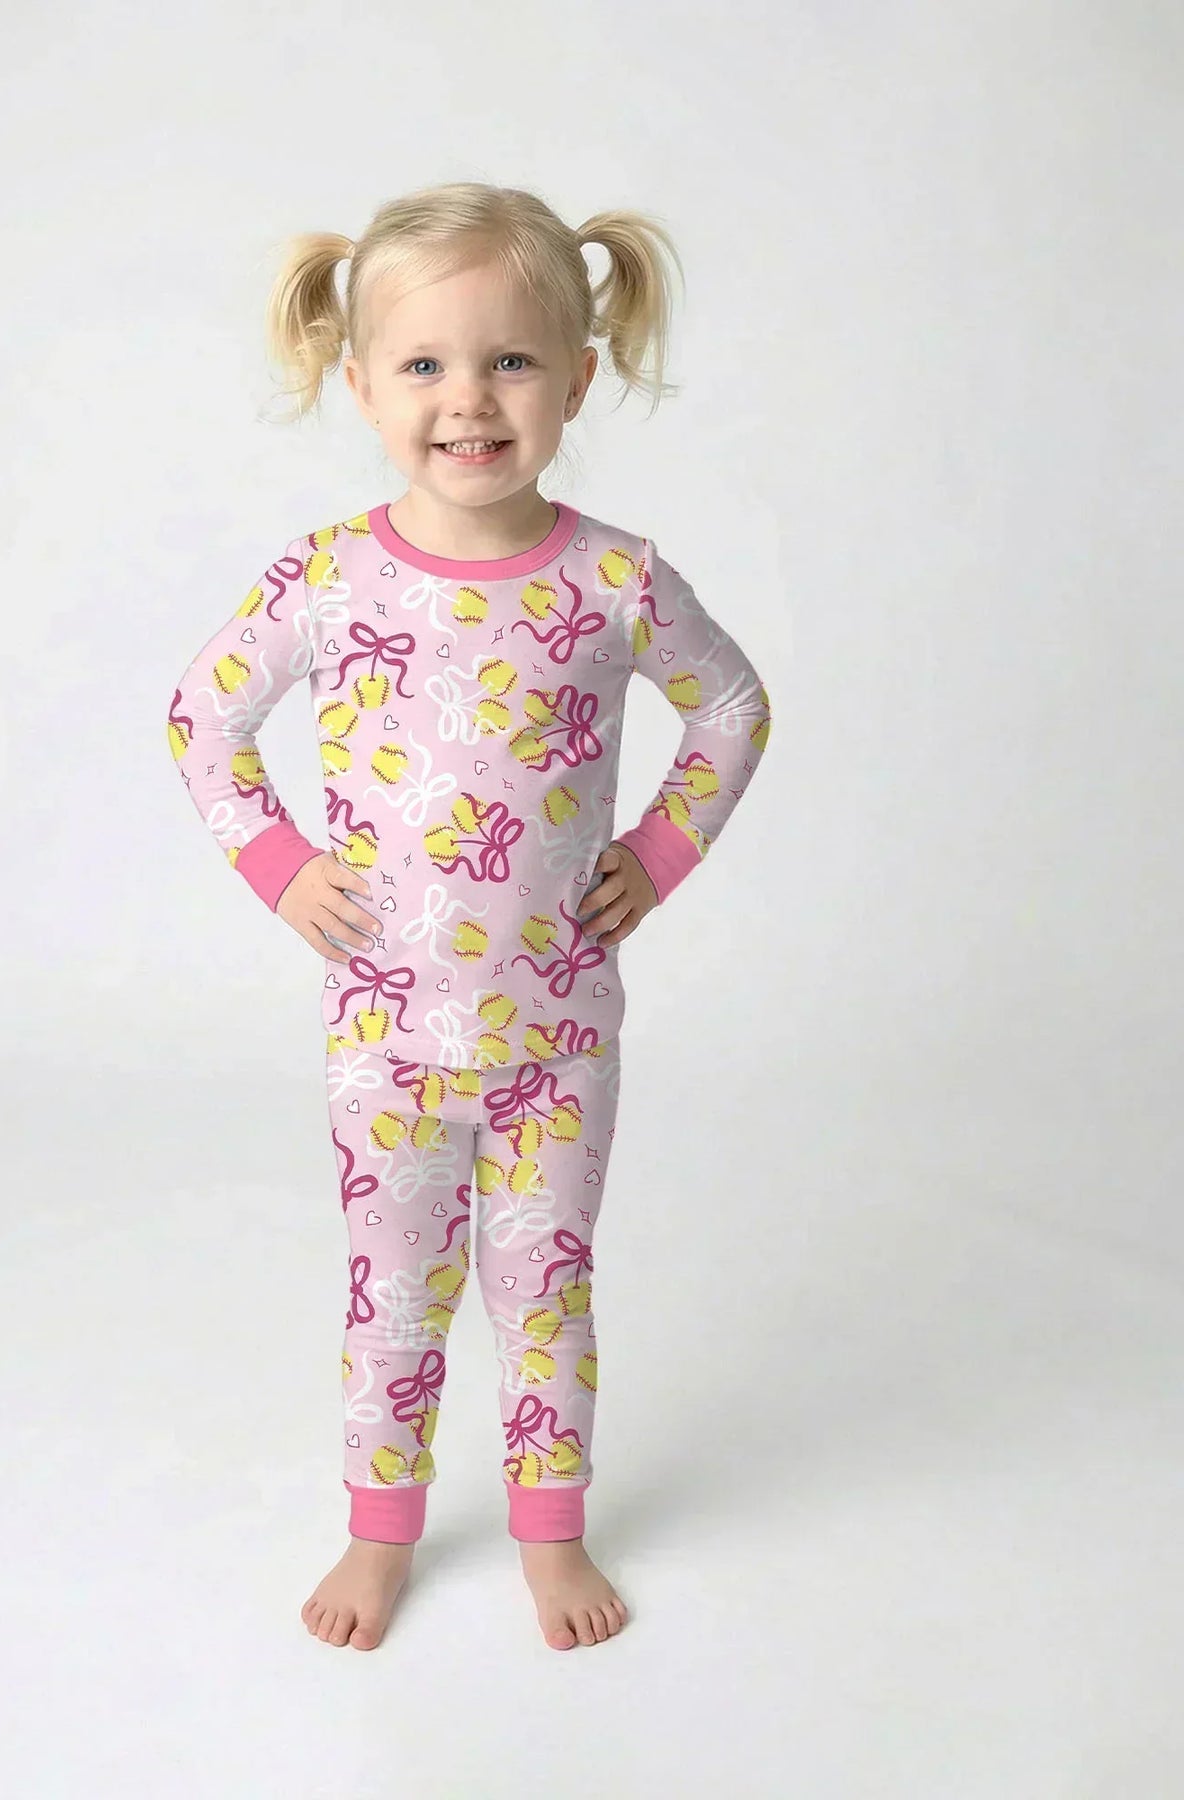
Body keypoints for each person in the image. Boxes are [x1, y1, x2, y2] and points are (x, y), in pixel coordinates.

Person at [165, 181, 773, 1652]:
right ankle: (379, 1532)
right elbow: (203, 718)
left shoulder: (613, 578)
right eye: (426, 364)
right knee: (394, 1292)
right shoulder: (329, 578)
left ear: (577, 376)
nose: (469, 400)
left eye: (510, 361)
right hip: (384, 1037)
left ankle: (551, 1536)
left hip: (558, 1039)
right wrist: (281, 867)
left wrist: (660, 853)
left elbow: (733, 705)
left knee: (545, 1293)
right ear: (362, 384)